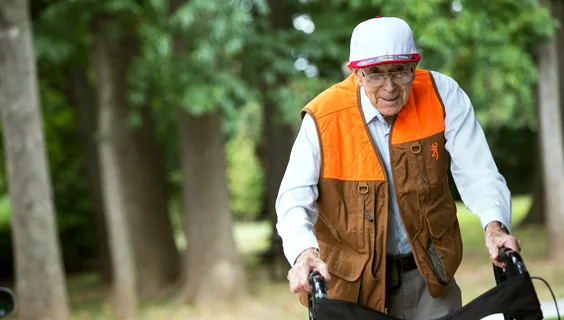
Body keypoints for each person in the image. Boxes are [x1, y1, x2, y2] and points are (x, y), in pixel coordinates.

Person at [275, 16, 522, 319]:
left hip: (429, 276)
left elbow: (478, 170)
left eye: (399, 71)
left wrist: (495, 227)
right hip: (354, 289)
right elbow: (294, 198)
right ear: (357, 75)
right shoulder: (324, 117)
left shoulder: (442, 95)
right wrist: (304, 254)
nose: (389, 87)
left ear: (413, 68)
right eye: (375, 74)